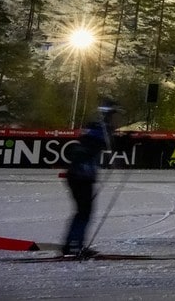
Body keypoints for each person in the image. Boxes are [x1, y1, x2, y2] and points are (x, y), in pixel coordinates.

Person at [62, 101, 118, 256]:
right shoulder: (95, 134)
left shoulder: (92, 134)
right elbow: (104, 141)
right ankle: (74, 245)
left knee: (82, 212)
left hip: (78, 176)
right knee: (84, 212)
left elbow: (108, 142)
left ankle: (72, 244)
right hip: (81, 177)